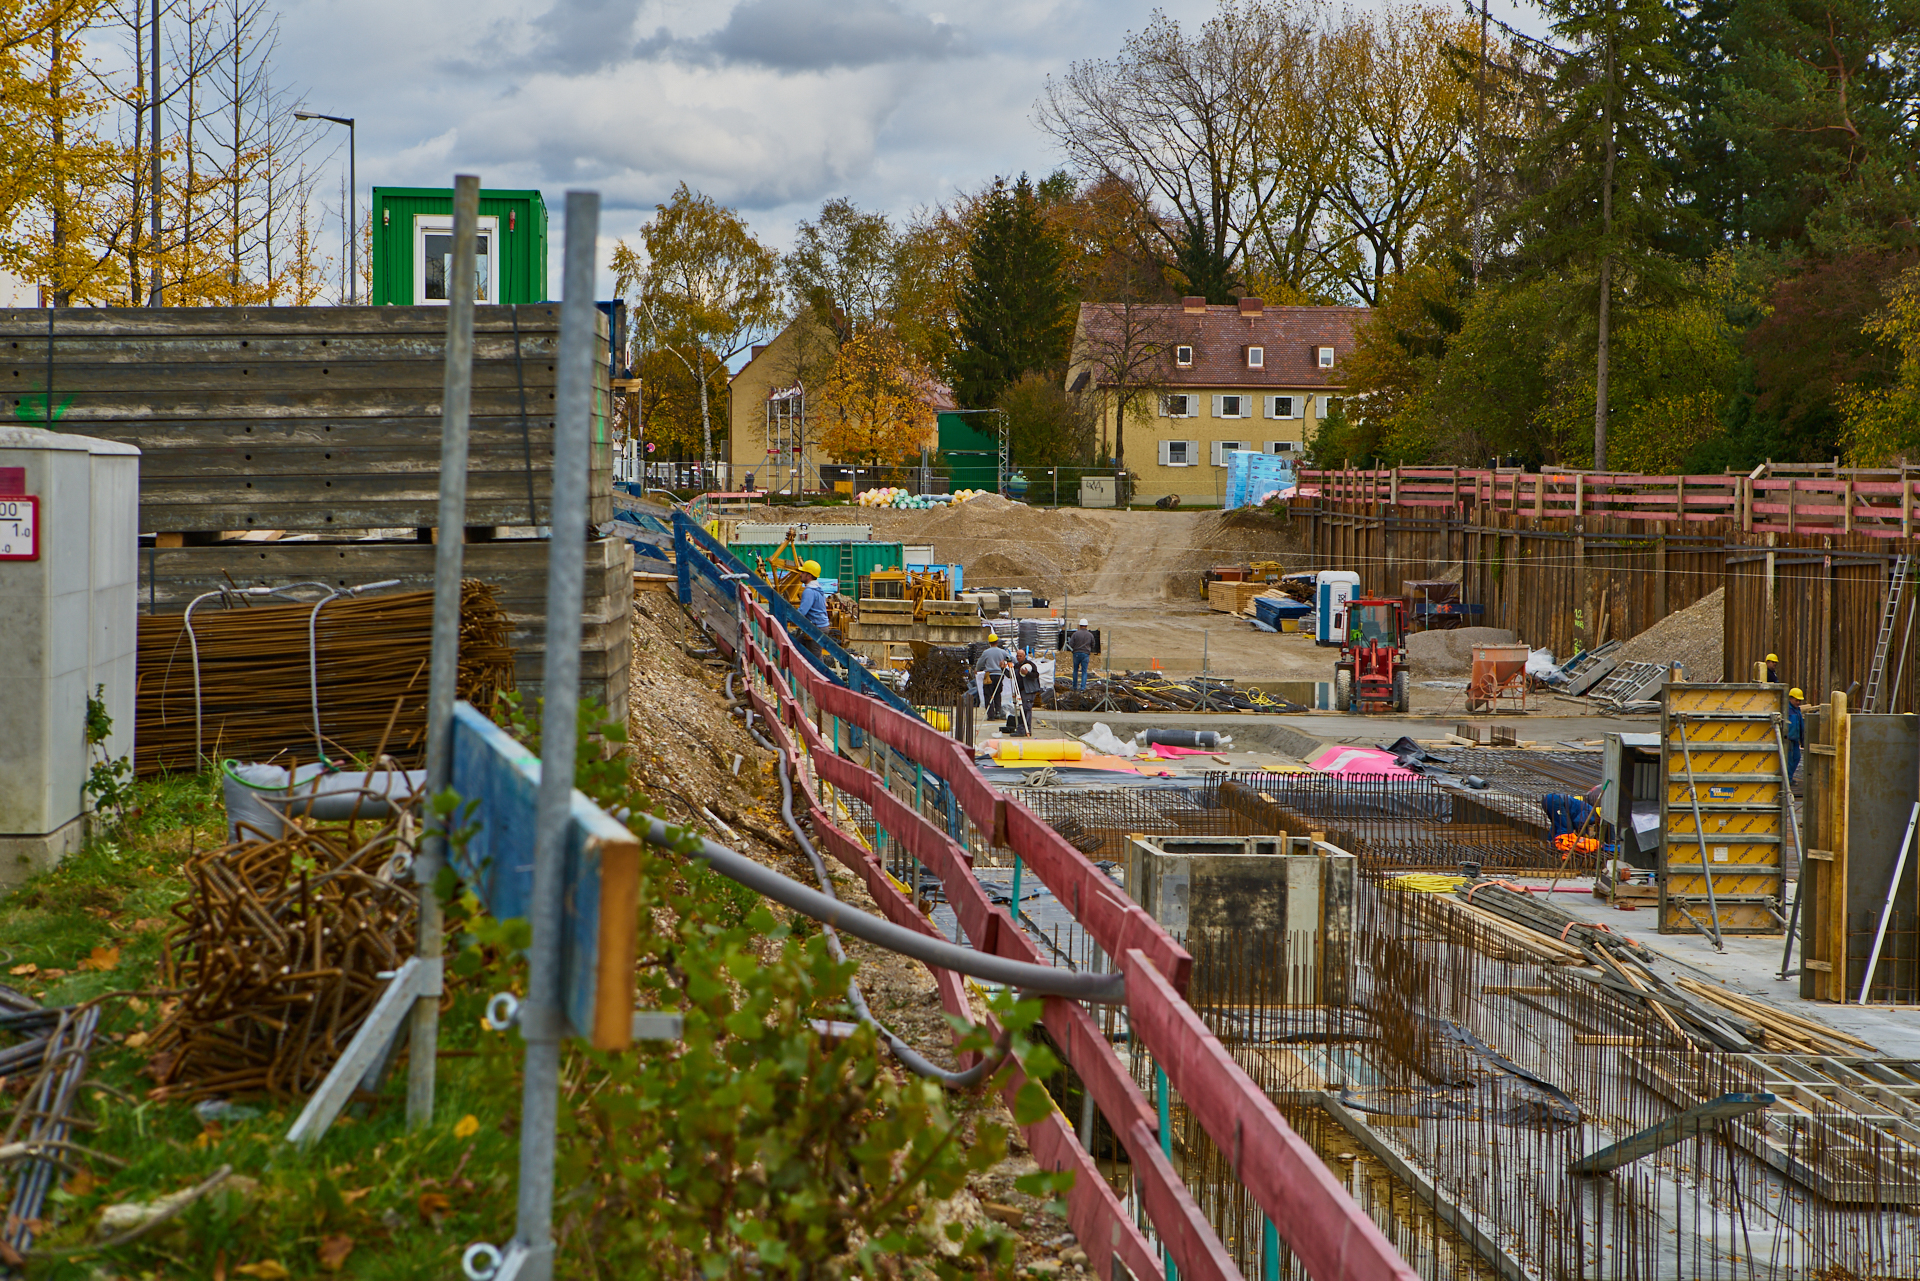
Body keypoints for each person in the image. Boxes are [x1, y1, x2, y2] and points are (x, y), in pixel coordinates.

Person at [975, 632, 1011, 722]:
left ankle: (991, 715)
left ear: (989, 643)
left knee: (988, 695)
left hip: (989, 676)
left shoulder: (986, 652)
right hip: (999, 676)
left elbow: (980, 663)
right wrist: (1005, 664)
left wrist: (977, 669)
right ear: (997, 641)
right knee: (997, 695)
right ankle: (998, 712)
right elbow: (1011, 659)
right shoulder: (1002, 652)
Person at [1009, 651, 1043, 735]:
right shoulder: (1017, 665)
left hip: (1028, 690)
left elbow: (1036, 675)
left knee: (1026, 709)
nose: (1019, 657)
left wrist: (1027, 673)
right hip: (1020, 690)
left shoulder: (1030, 664)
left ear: (1024, 656)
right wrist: (1003, 668)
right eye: (1017, 656)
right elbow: (1012, 675)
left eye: (1020, 656)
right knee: (1022, 710)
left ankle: (1024, 730)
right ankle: (1022, 729)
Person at [795, 560, 830, 637]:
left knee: (811, 649)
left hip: (817, 628)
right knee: (796, 644)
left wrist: (784, 616)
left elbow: (802, 612)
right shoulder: (817, 588)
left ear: (809, 576)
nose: (800, 574)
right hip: (820, 626)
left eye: (803, 572)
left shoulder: (809, 591)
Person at [1067, 618, 1096, 691]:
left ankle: (1074, 687)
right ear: (1086, 626)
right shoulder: (1090, 635)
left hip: (1076, 653)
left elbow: (1071, 644)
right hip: (1085, 654)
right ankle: (1083, 688)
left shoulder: (1075, 634)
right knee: (1084, 671)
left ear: (1080, 625)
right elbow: (1093, 644)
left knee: (1075, 670)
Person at [1786, 687, 1805, 781]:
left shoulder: (1798, 710)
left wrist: (1802, 739)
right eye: (1796, 700)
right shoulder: (1786, 709)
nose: (1798, 702)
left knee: (1797, 758)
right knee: (1789, 761)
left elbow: (1801, 725)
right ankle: (1788, 780)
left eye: (1799, 701)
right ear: (1790, 698)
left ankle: (1789, 777)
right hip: (1788, 738)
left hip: (1795, 738)